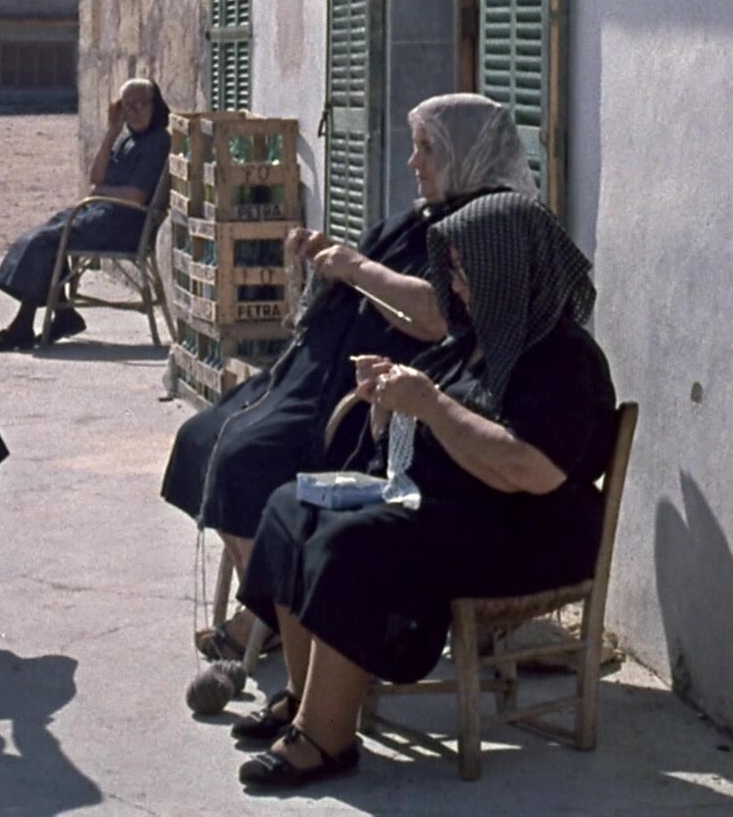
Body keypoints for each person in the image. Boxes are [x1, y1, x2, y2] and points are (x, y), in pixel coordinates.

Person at [227, 191, 617, 788]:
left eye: (466, 270)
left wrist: (430, 404)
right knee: (290, 506)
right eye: (453, 269)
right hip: (454, 512)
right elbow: (430, 422)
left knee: (354, 542)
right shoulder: (472, 340)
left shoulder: (561, 358)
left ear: (508, 269)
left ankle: (326, 737)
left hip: (524, 535)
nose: (455, 285)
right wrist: (390, 399)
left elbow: (532, 471)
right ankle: (306, 698)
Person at [159, 93, 536, 661]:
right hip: (311, 373)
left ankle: (271, 615)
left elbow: (438, 316)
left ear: (464, 153)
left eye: (427, 149)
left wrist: (355, 268)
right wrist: (323, 255)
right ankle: (268, 601)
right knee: (200, 437)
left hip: (361, 396)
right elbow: (362, 271)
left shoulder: (484, 231)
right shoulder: (415, 222)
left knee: (244, 457)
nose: (413, 162)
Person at [0, 78, 172, 351]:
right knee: (44, 234)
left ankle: (24, 325)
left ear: (155, 105)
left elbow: (135, 197)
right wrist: (112, 132)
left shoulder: (157, 142)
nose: (135, 111)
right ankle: (63, 315)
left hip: (126, 224)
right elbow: (96, 176)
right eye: (128, 106)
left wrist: (102, 191)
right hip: (102, 214)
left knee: (46, 241)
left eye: (141, 104)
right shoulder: (127, 140)